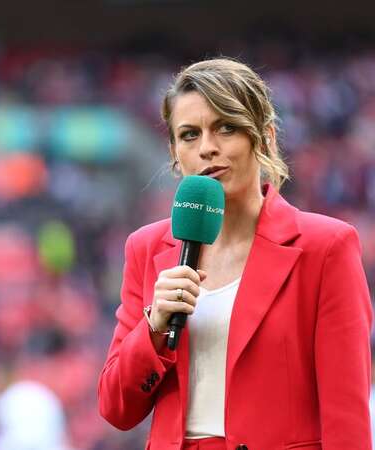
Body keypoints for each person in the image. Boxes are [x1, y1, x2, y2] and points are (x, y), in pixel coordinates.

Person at [97, 58, 372, 449]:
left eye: (226, 127)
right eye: (190, 135)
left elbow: (347, 419)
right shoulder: (146, 248)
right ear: (175, 153)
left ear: (265, 138)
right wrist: (154, 327)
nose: (208, 148)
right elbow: (116, 407)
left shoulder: (326, 247)